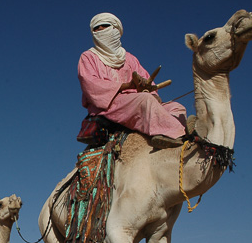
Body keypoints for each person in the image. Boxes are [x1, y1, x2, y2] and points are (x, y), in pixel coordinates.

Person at [78, 13, 187, 148]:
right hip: (109, 105)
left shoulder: (129, 58)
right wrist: (128, 86)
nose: (100, 30)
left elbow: (146, 80)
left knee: (176, 107)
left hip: (136, 101)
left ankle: (177, 131)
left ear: (116, 29)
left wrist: (150, 92)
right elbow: (91, 85)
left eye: (104, 26)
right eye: (96, 28)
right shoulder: (88, 57)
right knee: (145, 100)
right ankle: (175, 134)